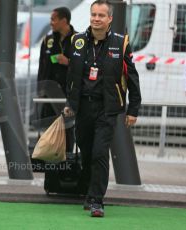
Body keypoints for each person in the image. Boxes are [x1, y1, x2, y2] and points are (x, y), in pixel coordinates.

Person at [64, 0, 141, 217]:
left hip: (107, 109)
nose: (96, 18)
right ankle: (89, 192)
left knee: (99, 152)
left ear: (110, 19)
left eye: (101, 15)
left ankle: (97, 200)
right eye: (93, 14)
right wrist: (70, 103)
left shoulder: (121, 43)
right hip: (83, 108)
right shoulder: (77, 41)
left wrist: (133, 109)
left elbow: (132, 78)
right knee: (87, 152)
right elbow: (71, 76)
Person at [37, 6, 76, 125]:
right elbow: (42, 67)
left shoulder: (79, 40)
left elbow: (85, 66)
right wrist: (40, 89)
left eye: (54, 19)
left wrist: (68, 62)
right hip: (49, 95)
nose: (51, 23)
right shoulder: (47, 40)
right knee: (48, 131)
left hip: (69, 95)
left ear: (64, 21)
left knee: (67, 131)